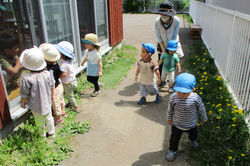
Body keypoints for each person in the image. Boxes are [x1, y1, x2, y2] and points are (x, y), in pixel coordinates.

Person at [166, 73, 208, 162]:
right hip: (177, 124)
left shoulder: (196, 98)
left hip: (191, 124)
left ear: (193, 89)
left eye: (184, 92)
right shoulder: (174, 97)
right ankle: (172, 150)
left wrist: (204, 118)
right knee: (174, 139)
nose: (180, 94)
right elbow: (170, 109)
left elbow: (201, 108)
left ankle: (192, 140)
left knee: (194, 134)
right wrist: (169, 118)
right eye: (178, 91)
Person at [19, 47, 55, 138]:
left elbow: (24, 92)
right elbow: (52, 85)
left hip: (35, 104)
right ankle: (51, 133)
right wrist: (52, 96)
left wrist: (22, 102)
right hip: (47, 101)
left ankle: (42, 135)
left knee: (39, 120)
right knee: (49, 117)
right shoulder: (47, 74)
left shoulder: (26, 77)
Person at [154, 1, 184, 76]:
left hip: (173, 43)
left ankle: (174, 79)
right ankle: (161, 80)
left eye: (165, 14)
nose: (163, 16)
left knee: (175, 60)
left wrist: (171, 49)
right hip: (162, 44)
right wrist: (164, 50)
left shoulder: (176, 20)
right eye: (161, 14)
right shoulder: (157, 21)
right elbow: (158, 36)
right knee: (161, 59)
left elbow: (175, 35)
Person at [40, 43, 66, 125]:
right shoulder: (56, 63)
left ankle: (58, 118)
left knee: (55, 103)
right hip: (60, 85)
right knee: (61, 100)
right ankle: (63, 112)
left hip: (54, 88)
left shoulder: (49, 68)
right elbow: (59, 75)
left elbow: (52, 81)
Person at [55, 41, 78, 111]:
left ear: (62, 54)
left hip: (68, 83)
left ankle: (75, 107)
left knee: (69, 96)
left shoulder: (63, 64)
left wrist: (58, 76)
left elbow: (64, 74)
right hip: (73, 81)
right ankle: (70, 103)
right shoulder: (69, 61)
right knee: (69, 94)